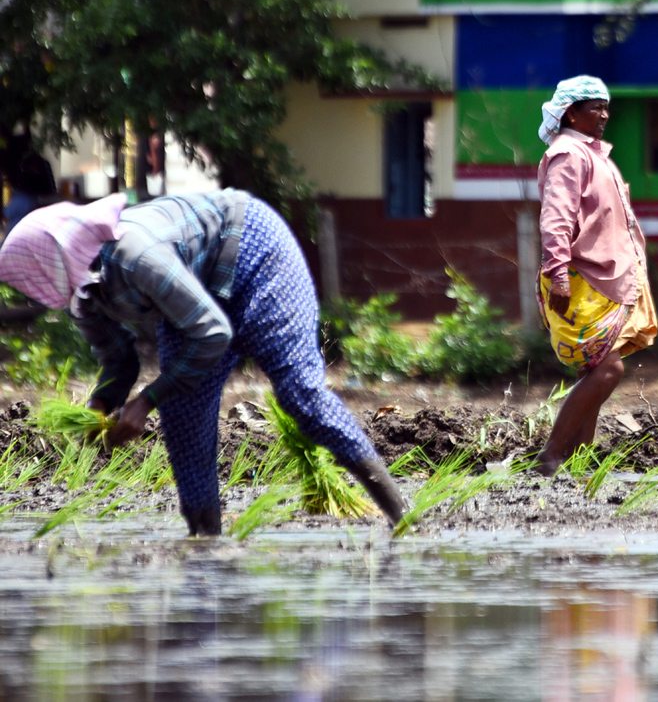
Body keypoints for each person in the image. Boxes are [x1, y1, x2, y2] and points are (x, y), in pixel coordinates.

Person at [0, 189, 406, 536]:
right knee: (183, 416)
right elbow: (119, 361)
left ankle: (403, 519)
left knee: (302, 397)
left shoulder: (134, 255)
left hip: (256, 254)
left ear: (53, 264)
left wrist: (144, 402)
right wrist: (102, 408)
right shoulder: (82, 295)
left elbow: (212, 333)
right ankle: (205, 543)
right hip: (196, 292)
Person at [533, 75, 658, 476]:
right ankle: (551, 455)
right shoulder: (569, 154)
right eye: (595, 108)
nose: (605, 115)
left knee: (594, 372)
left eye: (607, 107)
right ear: (571, 112)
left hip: (608, 277)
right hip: (584, 278)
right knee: (608, 370)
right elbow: (556, 218)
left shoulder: (592, 153)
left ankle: (577, 462)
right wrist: (558, 273)